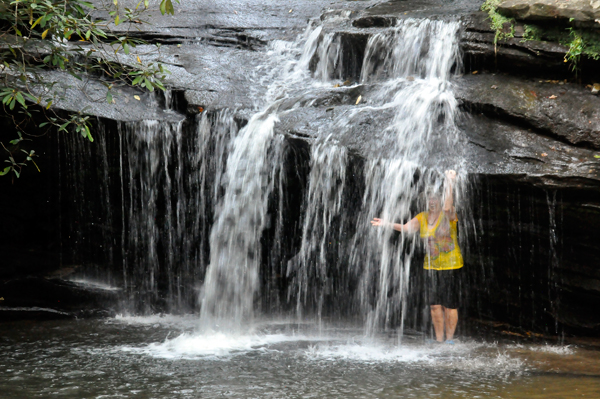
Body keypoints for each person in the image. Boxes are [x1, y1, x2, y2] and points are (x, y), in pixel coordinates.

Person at [371, 170, 463, 344]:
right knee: (435, 306)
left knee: (449, 305)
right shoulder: (422, 218)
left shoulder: (449, 215)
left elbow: (448, 206)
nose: (432, 201)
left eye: (435, 198)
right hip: (431, 266)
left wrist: (450, 183)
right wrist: (386, 223)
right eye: (429, 199)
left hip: (451, 265)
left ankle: (449, 340)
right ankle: (438, 340)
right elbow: (406, 228)